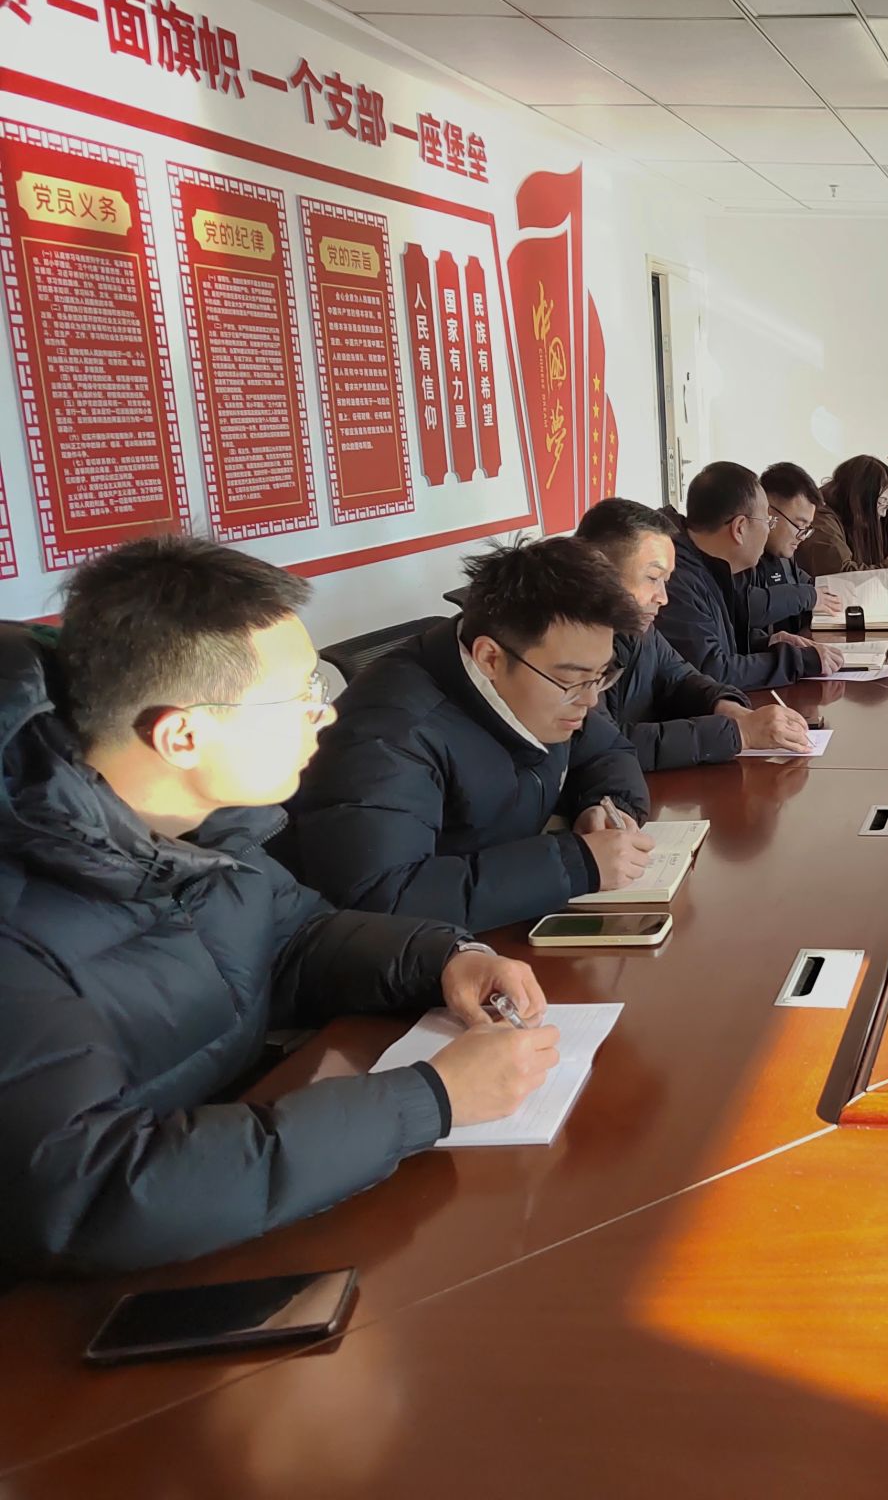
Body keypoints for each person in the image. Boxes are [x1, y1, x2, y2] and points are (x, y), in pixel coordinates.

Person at [0, 537, 560, 1275]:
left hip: (235, 1186)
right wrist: (430, 1100)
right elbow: (92, 1189)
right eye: (299, 698)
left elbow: (292, 938)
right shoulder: (20, 927)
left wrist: (444, 958)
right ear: (183, 735)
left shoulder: (204, 826)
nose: (324, 717)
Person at [282, 538, 657, 933]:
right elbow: (378, 899)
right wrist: (575, 864)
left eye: (600, 675)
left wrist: (605, 806)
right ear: (490, 658)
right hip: (417, 955)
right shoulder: (389, 737)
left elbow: (607, 749)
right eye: (573, 679)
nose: (590, 699)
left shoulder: (550, 686)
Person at [576, 497, 813, 766]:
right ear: (601, 570)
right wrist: (738, 734)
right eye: (652, 578)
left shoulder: (638, 628)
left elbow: (680, 678)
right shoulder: (570, 642)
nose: (663, 598)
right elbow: (605, 744)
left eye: (665, 581)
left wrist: (730, 709)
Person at [659, 461, 840, 689]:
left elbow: (716, 642)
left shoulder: (712, 567)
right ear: (740, 528)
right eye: (767, 521)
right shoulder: (676, 578)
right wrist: (800, 661)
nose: (768, 530)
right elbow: (711, 672)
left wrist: (767, 642)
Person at [797, 454, 888, 585]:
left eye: (887, 504)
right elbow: (841, 575)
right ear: (859, 497)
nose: (883, 513)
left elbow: (882, 555)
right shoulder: (821, 520)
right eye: (881, 502)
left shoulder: (854, 518)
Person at [749, 463, 823, 637]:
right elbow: (745, 607)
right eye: (799, 525)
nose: (802, 536)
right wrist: (807, 595)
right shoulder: (742, 555)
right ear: (768, 513)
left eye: (807, 528)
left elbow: (811, 585)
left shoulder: (783, 556)